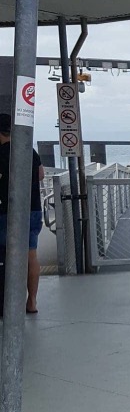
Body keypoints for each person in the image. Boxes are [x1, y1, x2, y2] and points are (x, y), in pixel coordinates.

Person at [0, 113, 45, 314]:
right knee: (30, 255)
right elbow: (41, 174)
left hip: (7, 210)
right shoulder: (29, 150)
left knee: (7, 256)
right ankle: (32, 301)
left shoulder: (1, 152)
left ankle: (9, 302)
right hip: (33, 208)